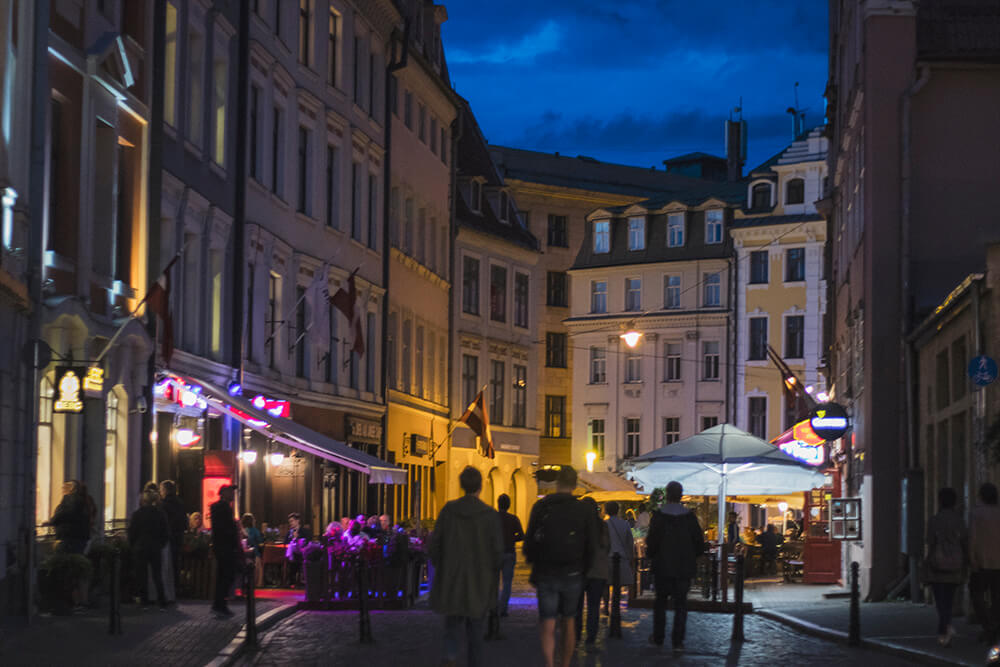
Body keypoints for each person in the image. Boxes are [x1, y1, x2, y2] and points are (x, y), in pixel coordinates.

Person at [429, 466, 503, 667]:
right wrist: (493, 576)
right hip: (478, 582)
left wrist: (442, 568)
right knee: (476, 636)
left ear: (462, 485)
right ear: (480, 486)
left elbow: (435, 545)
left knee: (451, 630)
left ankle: (450, 660)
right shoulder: (488, 515)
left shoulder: (448, 511)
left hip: (452, 580)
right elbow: (497, 552)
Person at [524, 466, 596, 667]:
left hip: (546, 571)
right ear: (574, 485)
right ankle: (564, 664)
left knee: (547, 621)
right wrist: (585, 569)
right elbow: (592, 544)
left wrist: (533, 561)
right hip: (573, 572)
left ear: (557, 483)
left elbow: (529, 540)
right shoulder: (583, 509)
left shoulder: (542, 506)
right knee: (569, 620)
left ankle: (549, 663)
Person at [646, 481, 705, 652]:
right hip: (683, 568)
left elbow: (652, 542)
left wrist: (652, 555)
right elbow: (699, 544)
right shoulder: (689, 518)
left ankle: (658, 637)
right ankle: (677, 641)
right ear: (681, 495)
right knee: (681, 605)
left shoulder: (659, 517)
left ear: (667, 494)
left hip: (662, 567)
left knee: (660, 603)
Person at [924, 487, 968, 647]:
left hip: (937, 565)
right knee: (949, 600)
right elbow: (964, 542)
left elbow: (930, 542)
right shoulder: (959, 520)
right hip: (955, 564)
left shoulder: (934, 520)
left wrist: (927, 564)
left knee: (940, 600)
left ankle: (944, 628)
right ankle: (945, 627)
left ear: (940, 501)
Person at [575, 497, 609, 646]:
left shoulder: (577, 525)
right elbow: (607, 547)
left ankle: (575, 637)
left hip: (580, 571)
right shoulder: (602, 526)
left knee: (577, 606)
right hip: (598, 571)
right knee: (594, 607)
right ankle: (591, 638)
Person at [128, 489, 170, 610]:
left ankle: (144, 601)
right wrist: (161, 544)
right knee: (157, 575)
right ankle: (162, 601)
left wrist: (133, 544)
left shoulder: (138, 514)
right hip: (155, 547)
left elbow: (132, 532)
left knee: (142, 575)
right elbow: (165, 532)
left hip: (140, 547)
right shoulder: (160, 514)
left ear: (143, 500)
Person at [970, 482, 1000, 643]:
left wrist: (972, 558)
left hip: (982, 562)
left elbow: (973, 539)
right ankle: (993, 626)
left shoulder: (977, 513)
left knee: (976, 595)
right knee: (997, 597)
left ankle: (989, 626)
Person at [210, 485, 239, 618]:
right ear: (224, 493)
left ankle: (219, 604)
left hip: (222, 547)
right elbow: (224, 529)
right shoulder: (222, 508)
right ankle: (220, 604)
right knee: (227, 575)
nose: (233, 494)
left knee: (224, 576)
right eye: (231, 492)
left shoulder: (222, 507)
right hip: (225, 547)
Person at [44, 481, 91, 554]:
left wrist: (52, 521)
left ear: (71, 489)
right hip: (80, 536)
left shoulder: (69, 498)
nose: (62, 489)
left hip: (69, 536)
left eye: (64, 487)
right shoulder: (83, 500)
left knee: (64, 557)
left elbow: (64, 514)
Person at [496, 493, 524, 617]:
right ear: (509, 505)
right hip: (509, 553)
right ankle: (503, 608)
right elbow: (522, 535)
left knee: (494, 581)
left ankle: (494, 607)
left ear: (498, 504)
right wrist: (512, 538)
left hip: (495, 553)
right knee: (507, 582)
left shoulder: (492, 518)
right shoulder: (513, 519)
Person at [159, 480, 187, 598]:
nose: (160, 492)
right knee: (175, 564)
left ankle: (166, 592)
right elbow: (184, 522)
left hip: (166, 539)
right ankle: (175, 589)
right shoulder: (180, 503)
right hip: (178, 537)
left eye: (161, 490)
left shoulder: (163, 505)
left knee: (165, 566)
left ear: (165, 490)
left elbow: (161, 523)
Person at [605, 501, 635, 595]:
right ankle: (621, 604)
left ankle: (606, 606)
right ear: (618, 511)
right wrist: (631, 557)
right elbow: (630, 542)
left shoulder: (604, 524)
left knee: (606, 584)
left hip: (607, 558)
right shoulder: (625, 524)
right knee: (621, 583)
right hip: (622, 557)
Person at [242, 513, 264, 589]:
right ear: (251, 521)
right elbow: (260, 542)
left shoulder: (242, 530)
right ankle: (256, 584)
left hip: (243, 554)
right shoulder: (255, 531)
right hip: (254, 554)